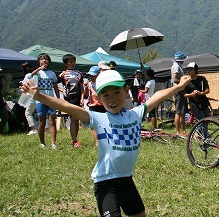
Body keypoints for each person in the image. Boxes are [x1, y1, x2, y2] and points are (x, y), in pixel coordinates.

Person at [21, 67, 191, 217]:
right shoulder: (98, 118)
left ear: (126, 91)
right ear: (99, 98)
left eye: (117, 93)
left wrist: (179, 86)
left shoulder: (135, 114)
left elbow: (159, 96)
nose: (112, 99)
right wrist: (39, 96)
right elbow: (67, 107)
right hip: (105, 183)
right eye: (106, 95)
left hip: (126, 180)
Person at [33, 53, 60, 149]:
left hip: (51, 100)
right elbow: (29, 76)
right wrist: (38, 70)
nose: (44, 61)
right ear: (39, 62)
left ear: (49, 62)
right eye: (42, 59)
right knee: (42, 121)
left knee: (52, 121)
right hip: (40, 100)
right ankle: (42, 142)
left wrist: (58, 99)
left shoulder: (52, 73)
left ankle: (53, 143)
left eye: (46, 59)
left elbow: (55, 86)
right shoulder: (37, 73)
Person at [59, 54, 85, 148]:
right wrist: (62, 91)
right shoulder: (63, 74)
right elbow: (54, 84)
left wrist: (82, 98)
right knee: (74, 119)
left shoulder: (79, 74)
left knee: (76, 119)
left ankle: (74, 139)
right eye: (70, 62)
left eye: (74, 61)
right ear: (66, 64)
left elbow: (82, 88)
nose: (72, 63)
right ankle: (75, 141)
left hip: (78, 99)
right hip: (69, 99)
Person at [84, 66, 106, 146]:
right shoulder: (89, 84)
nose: (91, 77)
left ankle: (105, 140)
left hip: (102, 105)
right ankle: (97, 142)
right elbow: (86, 96)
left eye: (93, 75)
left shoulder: (103, 83)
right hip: (93, 105)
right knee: (93, 124)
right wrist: (86, 89)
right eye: (90, 75)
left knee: (104, 124)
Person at [171, 51, 188, 136]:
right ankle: (177, 131)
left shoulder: (178, 66)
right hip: (178, 91)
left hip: (182, 90)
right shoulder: (176, 67)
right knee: (178, 111)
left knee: (182, 111)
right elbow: (175, 79)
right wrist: (183, 82)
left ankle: (184, 130)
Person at [20, 62, 37, 135]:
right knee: (35, 114)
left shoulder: (28, 75)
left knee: (28, 113)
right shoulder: (36, 76)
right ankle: (39, 128)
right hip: (36, 97)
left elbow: (24, 84)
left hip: (30, 97)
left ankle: (33, 129)